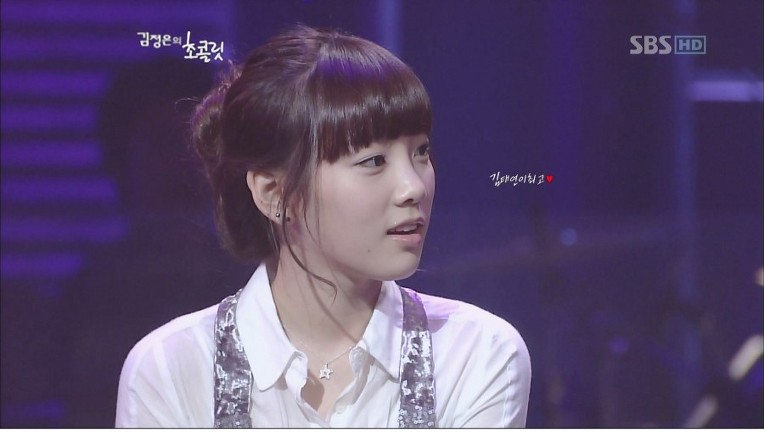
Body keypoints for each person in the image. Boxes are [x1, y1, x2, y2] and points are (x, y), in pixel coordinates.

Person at [115, 24, 531, 428]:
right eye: (374, 161)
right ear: (273, 193)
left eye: (420, 152)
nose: (413, 187)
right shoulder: (171, 369)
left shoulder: (476, 355)